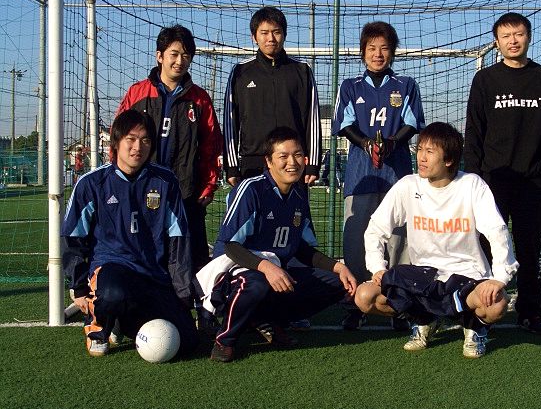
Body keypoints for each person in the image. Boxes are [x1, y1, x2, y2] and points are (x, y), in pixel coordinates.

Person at [355, 122, 519, 358]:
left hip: (466, 276)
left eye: (430, 152)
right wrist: (377, 267)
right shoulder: (408, 185)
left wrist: (499, 278)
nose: (421, 157)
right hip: (423, 278)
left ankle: (475, 327)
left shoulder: (471, 185)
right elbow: (375, 228)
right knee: (365, 297)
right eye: (420, 149)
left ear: (449, 159)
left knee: (496, 304)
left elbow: (497, 231)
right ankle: (424, 320)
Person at [195, 127, 357, 362]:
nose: (292, 162)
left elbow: (301, 248)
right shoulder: (252, 189)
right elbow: (230, 245)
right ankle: (225, 339)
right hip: (233, 273)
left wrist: (338, 267)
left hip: (275, 271)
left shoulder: (299, 195)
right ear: (268, 161)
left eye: (298, 155)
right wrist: (266, 267)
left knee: (337, 283)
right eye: (283, 156)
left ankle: (266, 320)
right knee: (257, 282)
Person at [61, 109, 198, 357]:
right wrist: (79, 287)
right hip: (112, 267)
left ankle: (121, 321)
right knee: (113, 294)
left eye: (145, 140)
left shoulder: (165, 181)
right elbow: (72, 237)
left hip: (153, 273)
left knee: (187, 341)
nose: (138, 147)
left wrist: (182, 292)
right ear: (116, 142)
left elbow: (179, 239)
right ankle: (98, 326)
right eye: (131, 139)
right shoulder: (92, 183)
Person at [117, 24, 223, 330]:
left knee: (194, 257)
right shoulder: (138, 93)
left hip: (185, 194)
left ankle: (202, 315)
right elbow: (119, 139)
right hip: (141, 193)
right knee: (139, 254)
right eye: (174, 54)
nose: (180, 60)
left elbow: (211, 146)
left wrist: (208, 185)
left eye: (186, 55)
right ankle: (123, 315)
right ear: (159, 55)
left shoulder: (199, 100)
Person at [463, 12, 541, 335]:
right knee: (485, 247)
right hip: (492, 182)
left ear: (528, 37)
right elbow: (473, 133)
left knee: (530, 249)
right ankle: (481, 311)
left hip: (531, 181)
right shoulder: (485, 80)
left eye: (518, 34)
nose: (513, 41)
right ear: (497, 42)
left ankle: (530, 312)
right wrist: (472, 180)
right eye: (506, 36)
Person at [331, 21, 425, 330]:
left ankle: (398, 305)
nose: (378, 54)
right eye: (371, 48)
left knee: (398, 240)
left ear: (393, 52)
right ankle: (356, 304)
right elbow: (343, 124)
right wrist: (366, 144)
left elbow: (413, 122)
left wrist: (392, 143)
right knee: (356, 239)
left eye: (384, 48)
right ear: (363, 52)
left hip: (397, 174)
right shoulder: (350, 86)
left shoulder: (406, 85)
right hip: (360, 175)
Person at [223, 6, 321, 186]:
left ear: (284, 34)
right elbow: (231, 123)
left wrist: (313, 163)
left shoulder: (302, 70)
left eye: (276, 32)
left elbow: (312, 120)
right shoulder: (240, 72)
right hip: (252, 163)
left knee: (294, 206)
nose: (271, 38)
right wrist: (231, 166)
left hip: (292, 162)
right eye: (264, 33)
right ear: (254, 37)